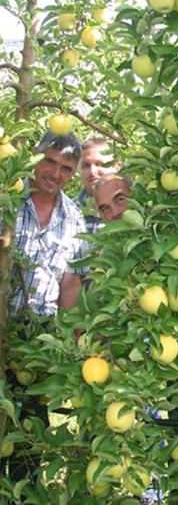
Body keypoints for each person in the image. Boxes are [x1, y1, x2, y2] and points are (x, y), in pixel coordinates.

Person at [4, 132, 87, 480]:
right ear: (34, 156)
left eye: (66, 168)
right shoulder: (7, 197)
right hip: (2, 326)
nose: (55, 173)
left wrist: (69, 343)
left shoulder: (74, 218)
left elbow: (70, 285)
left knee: (28, 439)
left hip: (36, 345)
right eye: (50, 161)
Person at [75, 137, 120, 233]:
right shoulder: (68, 211)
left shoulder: (136, 206)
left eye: (99, 164)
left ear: (117, 167)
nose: (92, 171)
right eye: (85, 166)